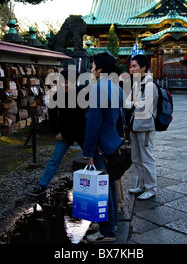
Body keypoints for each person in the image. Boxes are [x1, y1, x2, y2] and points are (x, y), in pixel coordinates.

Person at [82, 52, 124, 243]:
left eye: (93, 66)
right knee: (110, 185)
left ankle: (107, 232)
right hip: (113, 142)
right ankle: (113, 223)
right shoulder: (116, 87)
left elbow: (93, 123)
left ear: (100, 69)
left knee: (102, 189)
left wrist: (88, 151)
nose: (91, 69)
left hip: (101, 145)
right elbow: (122, 119)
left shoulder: (99, 88)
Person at [29, 68, 87, 196]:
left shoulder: (83, 94)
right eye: (62, 82)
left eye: (67, 82)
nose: (64, 85)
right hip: (64, 133)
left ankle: (102, 184)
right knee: (54, 159)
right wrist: (56, 132)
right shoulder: (56, 95)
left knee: (91, 158)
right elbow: (53, 116)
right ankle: (42, 184)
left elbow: (83, 118)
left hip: (81, 132)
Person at [126, 54, 158, 200]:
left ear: (143, 67)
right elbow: (127, 102)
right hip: (134, 124)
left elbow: (144, 107)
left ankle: (151, 188)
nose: (131, 69)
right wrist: (132, 103)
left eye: (134, 66)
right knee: (136, 157)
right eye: (131, 66)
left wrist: (132, 104)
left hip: (145, 126)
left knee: (147, 157)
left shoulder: (150, 85)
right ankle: (142, 184)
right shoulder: (137, 84)